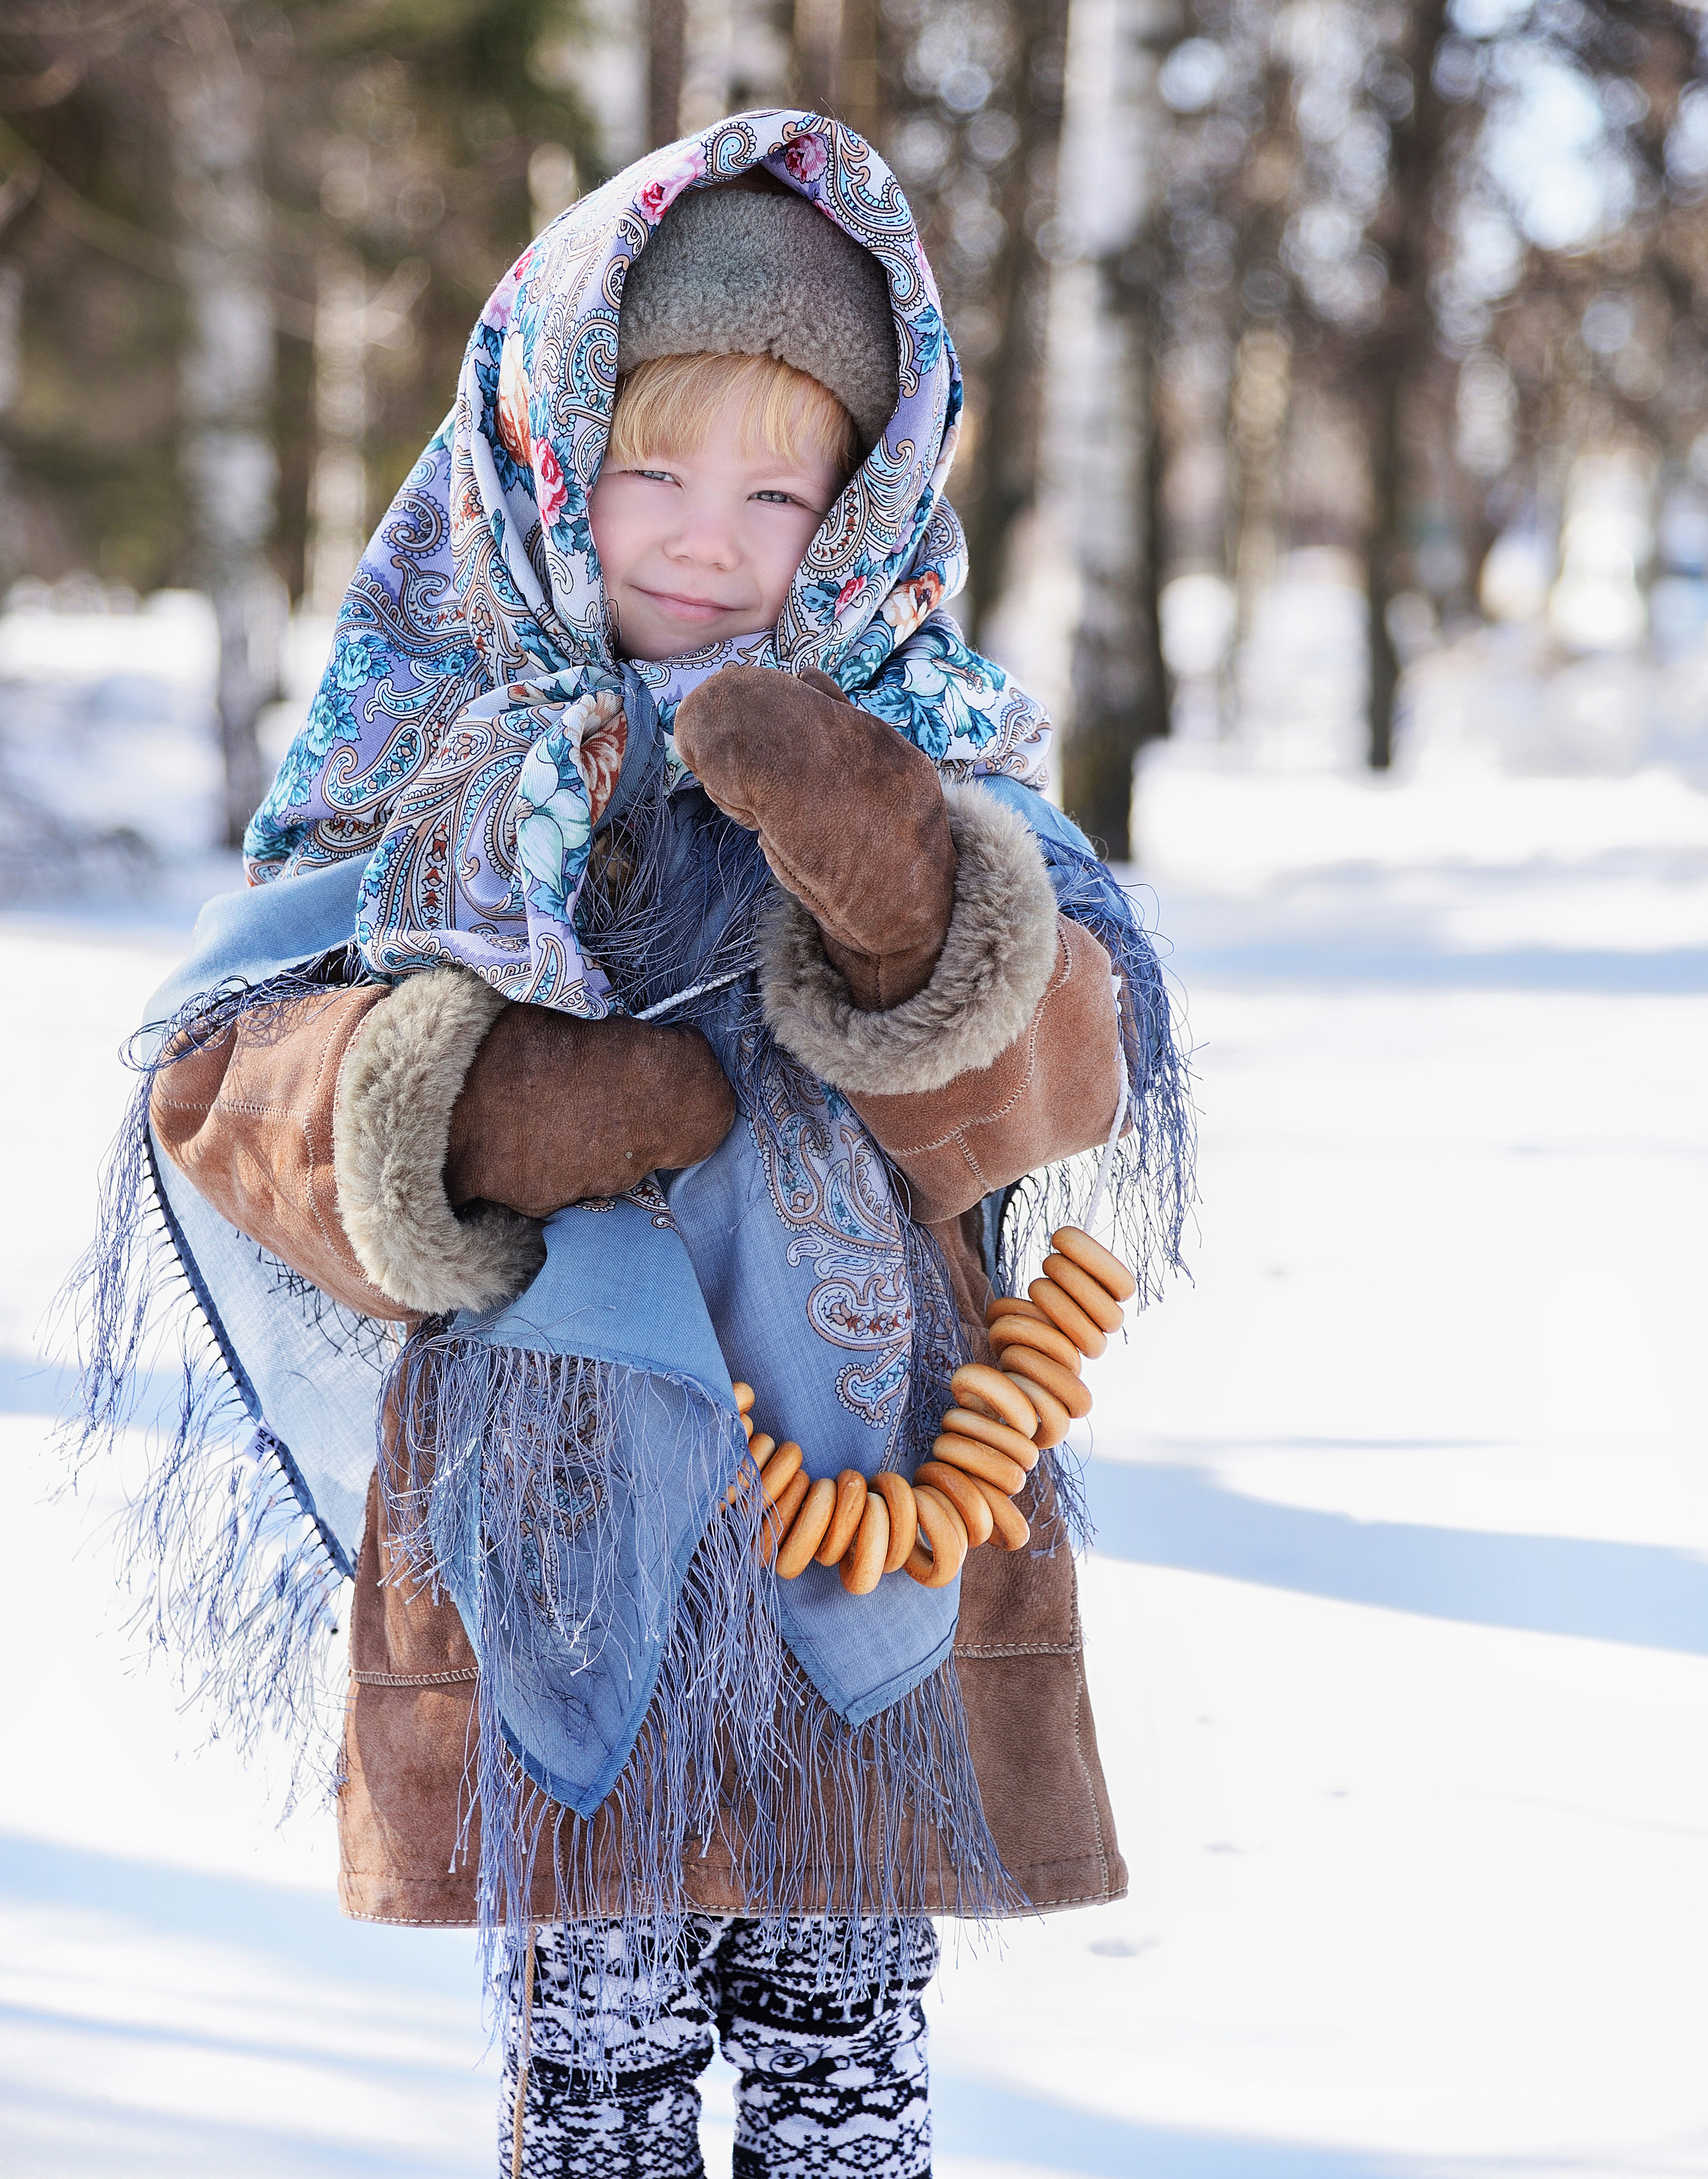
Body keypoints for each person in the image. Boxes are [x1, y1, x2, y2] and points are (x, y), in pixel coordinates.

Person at [80, 111, 1188, 2179]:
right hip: (549, 1507)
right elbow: (227, 1086)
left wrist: (899, 896)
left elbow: (1062, 1072)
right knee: (591, 2045)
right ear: (541, 448)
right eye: (652, 468)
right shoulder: (420, 738)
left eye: (779, 492)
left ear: (857, 515)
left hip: (874, 1487)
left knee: (844, 2027)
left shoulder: (925, 732)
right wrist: (455, 1106)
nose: (704, 537)